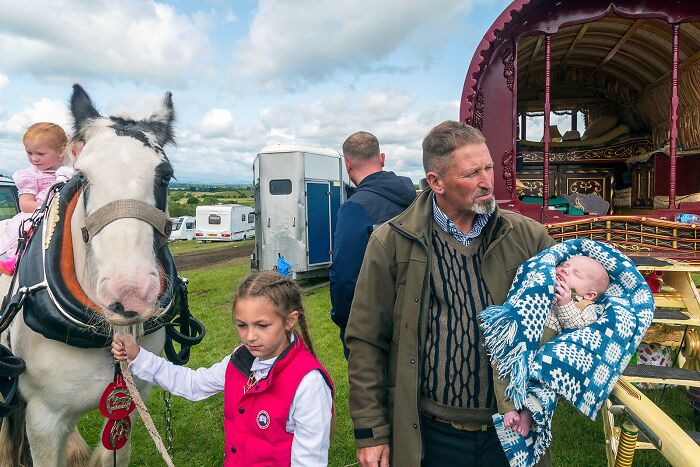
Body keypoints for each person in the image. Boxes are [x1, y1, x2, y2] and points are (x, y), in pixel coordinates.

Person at [345, 121, 555, 467]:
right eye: (472, 173)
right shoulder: (392, 243)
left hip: (512, 428)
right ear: (436, 182)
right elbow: (366, 342)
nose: (488, 181)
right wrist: (372, 431)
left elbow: (566, 310)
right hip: (432, 435)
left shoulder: (528, 238)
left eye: (488, 167)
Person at [112, 271, 334, 466]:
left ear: (290, 320)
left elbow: (309, 460)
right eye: (242, 325)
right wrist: (138, 357)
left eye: (262, 325)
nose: (250, 336)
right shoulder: (240, 360)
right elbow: (194, 384)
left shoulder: (309, 383)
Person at [329, 131, 416, 358]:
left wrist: (344, 320)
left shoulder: (355, 209)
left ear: (348, 166)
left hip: (374, 324)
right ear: (382, 158)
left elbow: (344, 276)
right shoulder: (415, 199)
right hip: (416, 313)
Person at [503, 254, 610, 436]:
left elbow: (581, 331)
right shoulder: (547, 283)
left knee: (544, 383)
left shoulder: (586, 306)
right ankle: (507, 406)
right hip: (528, 335)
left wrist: (566, 304)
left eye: (576, 273)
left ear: (590, 294)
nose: (565, 270)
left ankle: (529, 412)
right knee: (507, 365)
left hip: (551, 351)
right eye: (564, 265)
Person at [0, 122, 75, 275]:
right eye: (29, 153)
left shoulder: (69, 172)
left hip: (67, 215)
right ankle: (16, 257)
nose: (34, 159)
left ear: (61, 151)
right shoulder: (30, 175)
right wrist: (48, 210)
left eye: (40, 154)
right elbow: (25, 204)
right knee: (27, 228)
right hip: (38, 214)